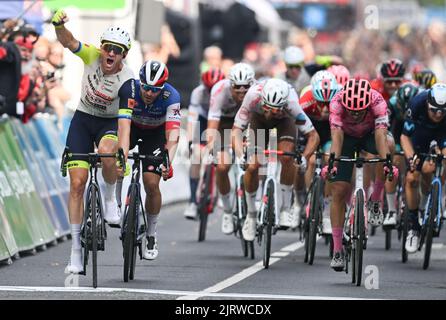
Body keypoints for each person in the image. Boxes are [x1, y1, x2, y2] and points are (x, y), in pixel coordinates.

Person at [51, 10, 135, 273]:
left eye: (117, 50)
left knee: (107, 151)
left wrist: (122, 151)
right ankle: (75, 250)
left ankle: (110, 199)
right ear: (102, 49)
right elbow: (68, 41)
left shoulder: (128, 80)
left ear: (124, 55)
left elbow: (124, 122)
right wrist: (58, 25)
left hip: (109, 123)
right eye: (107, 48)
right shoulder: (91, 55)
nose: (110, 53)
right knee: (77, 184)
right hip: (83, 119)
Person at [232, 78, 319, 241]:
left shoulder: (292, 103)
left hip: (285, 122)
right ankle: (251, 215)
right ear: (263, 102)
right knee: (252, 165)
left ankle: (286, 207)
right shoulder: (252, 96)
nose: (275, 112)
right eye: (271, 109)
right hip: (258, 120)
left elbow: (313, 135)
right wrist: (239, 155)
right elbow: (237, 129)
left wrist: (304, 157)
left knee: (287, 156)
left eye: (278, 109)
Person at [117, 60, 181, 260]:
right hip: (131, 129)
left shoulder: (172, 97)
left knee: (152, 184)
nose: (149, 93)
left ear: (162, 88)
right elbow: (123, 128)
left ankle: (151, 233)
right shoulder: (130, 89)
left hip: (155, 134)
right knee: (117, 163)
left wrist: (167, 162)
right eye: (146, 87)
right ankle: (116, 206)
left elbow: (173, 135)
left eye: (155, 90)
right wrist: (122, 155)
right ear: (140, 82)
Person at [327, 79, 393, 271]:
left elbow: (381, 136)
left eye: (360, 111)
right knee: (338, 190)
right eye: (351, 111)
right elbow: (337, 137)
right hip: (346, 138)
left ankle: (376, 201)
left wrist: (387, 162)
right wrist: (334, 163)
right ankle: (338, 249)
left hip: (370, 135)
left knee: (388, 146)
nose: (355, 115)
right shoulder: (337, 102)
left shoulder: (378, 101)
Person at [206, 62, 255, 235]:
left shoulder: (257, 92)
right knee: (221, 166)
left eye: (246, 87)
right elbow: (213, 124)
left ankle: (257, 205)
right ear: (230, 84)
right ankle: (227, 211)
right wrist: (211, 147)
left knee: (256, 162)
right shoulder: (220, 90)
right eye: (237, 87)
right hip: (226, 125)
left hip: (249, 123)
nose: (242, 91)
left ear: (252, 84)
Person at [401, 83, 446, 253]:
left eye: (443, 110)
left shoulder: (442, 115)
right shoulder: (417, 103)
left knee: (431, 169)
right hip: (420, 135)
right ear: (428, 104)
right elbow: (405, 137)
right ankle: (413, 226)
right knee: (412, 178)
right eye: (435, 110)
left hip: (443, 134)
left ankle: (437, 196)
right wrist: (411, 157)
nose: (439, 114)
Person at [298, 70, 340, 233]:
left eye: (328, 103)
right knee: (310, 160)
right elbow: (297, 126)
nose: (324, 108)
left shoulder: (341, 98)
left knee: (331, 161)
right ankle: (309, 199)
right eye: (320, 103)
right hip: (310, 129)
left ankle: (328, 207)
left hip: (330, 130)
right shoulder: (305, 99)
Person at [184, 68, 225, 219]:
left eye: (214, 89)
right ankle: (193, 201)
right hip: (203, 119)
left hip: (220, 119)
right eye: (208, 89)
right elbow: (192, 118)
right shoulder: (198, 93)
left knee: (224, 157)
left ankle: (220, 193)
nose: (211, 92)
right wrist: (190, 141)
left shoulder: (226, 92)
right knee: (196, 155)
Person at [383, 83, 420, 226]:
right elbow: (385, 128)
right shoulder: (391, 104)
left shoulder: (419, 104)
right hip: (397, 132)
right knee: (395, 164)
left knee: (418, 167)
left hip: (415, 134)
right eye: (402, 106)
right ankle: (391, 210)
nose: (405, 110)